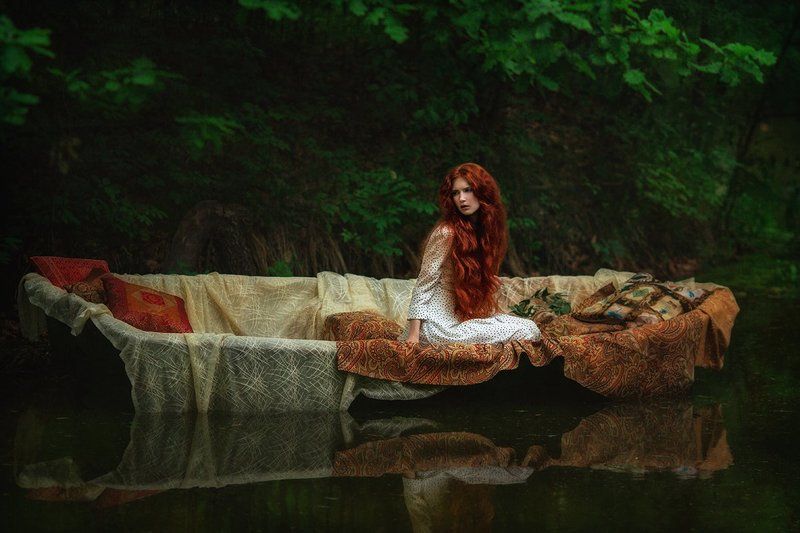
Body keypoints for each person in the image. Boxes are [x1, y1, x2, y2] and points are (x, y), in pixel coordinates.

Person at [400, 162, 541, 345]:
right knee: (525, 331)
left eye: (467, 190)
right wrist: (413, 336)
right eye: (456, 193)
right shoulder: (446, 232)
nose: (461, 199)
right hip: (436, 327)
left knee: (531, 327)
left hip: (457, 321)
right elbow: (424, 283)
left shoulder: (483, 232)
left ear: (482, 192)